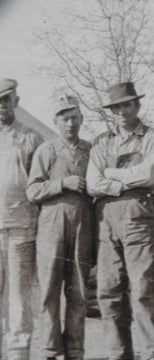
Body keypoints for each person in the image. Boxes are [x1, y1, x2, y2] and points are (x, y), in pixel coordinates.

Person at [86, 82, 154, 360]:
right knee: (108, 290)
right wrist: (123, 183)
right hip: (107, 219)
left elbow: (150, 175)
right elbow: (92, 183)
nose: (121, 111)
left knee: (143, 290)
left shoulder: (153, 137)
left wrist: (111, 173)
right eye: (116, 107)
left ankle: (151, 354)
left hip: (138, 217)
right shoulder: (101, 142)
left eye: (127, 105)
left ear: (138, 106)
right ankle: (118, 353)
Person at [27, 95, 94, 360]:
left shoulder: (90, 150)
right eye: (65, 119)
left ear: (81, 119)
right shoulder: (47, 150)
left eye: (75, 118)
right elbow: (32, 190)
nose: (70, 124)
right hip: (51, 227)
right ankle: (49, 350)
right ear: (56, 121)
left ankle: (75, 350)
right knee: (49, 291)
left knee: (77, 290)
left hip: (83, 225)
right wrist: (62, 184)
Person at [0, 78, 43, 359]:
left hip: (21, 229)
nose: (1, 105)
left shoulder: (30, 137)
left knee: (19, 297)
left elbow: (39, 184)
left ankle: (17, 354)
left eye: (6, 99)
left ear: (16, 100)